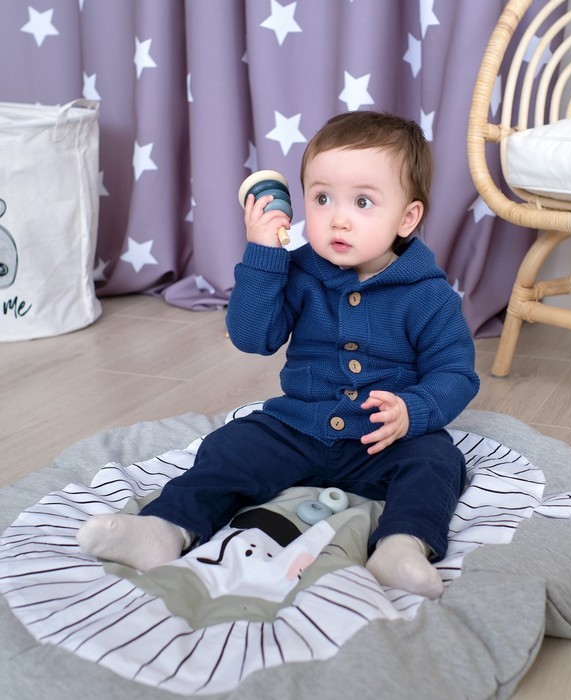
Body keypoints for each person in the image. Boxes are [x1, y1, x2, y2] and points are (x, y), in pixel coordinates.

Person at [77, 110, 480, 599]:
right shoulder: (298, 271)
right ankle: (165, 528)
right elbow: (253, 337)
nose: (338, 218)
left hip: (382, 439)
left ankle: (401, 546)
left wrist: (411, 412)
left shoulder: (428, 294)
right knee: (231, 445)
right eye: (322, 198)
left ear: (407, 218)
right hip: (299, 426)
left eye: (363, 202)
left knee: (438, 462)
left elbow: (455, 372)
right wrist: (263, 255)